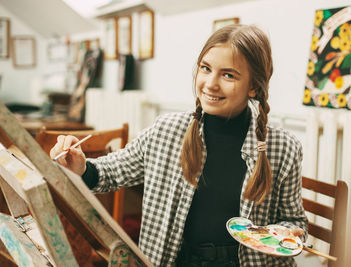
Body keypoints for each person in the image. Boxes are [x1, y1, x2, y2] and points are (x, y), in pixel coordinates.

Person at [50, 24, 308, 267]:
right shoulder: (167, 131)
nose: (210, 83)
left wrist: (289, 233)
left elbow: (295, 221)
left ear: (253, 86)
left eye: (228, 75)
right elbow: (111, 172)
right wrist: (82, 167)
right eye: (205, 68)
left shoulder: (283, 147)